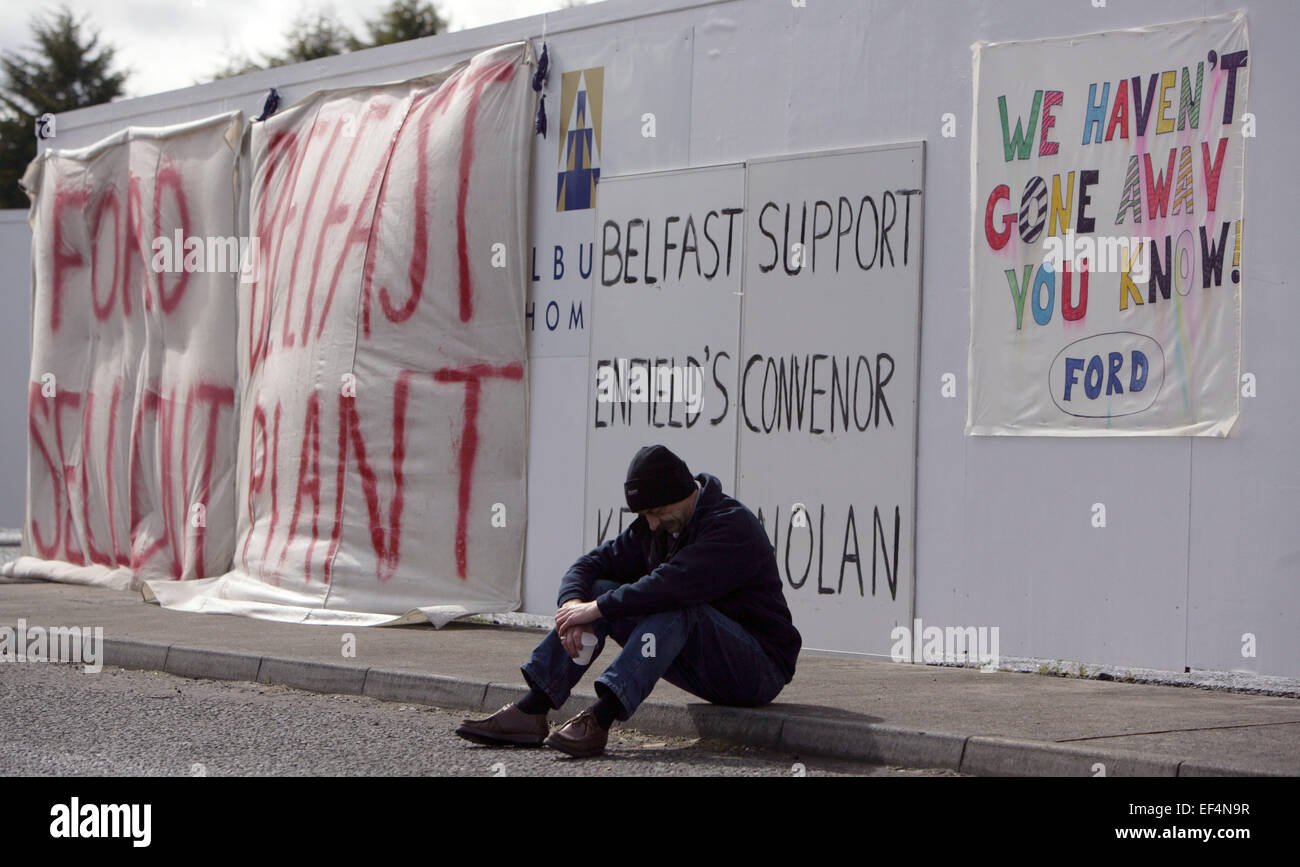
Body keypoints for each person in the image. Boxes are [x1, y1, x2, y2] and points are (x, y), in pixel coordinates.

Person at [456, 444, 801, 758]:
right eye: (645, 514)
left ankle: (601, 718)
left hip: (757, 670)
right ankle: (533, 709)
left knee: (673, 602)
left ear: (680, 493)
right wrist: (575, 606)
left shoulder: (732, 526)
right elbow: (588, 565)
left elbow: (674, 584)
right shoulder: (657, 526)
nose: (650, 524)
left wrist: (597, 608)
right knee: (602, 588)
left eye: (656, 511)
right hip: (703, 665)